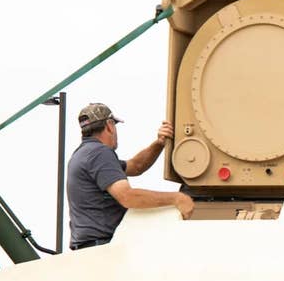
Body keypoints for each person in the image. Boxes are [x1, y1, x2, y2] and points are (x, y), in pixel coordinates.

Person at [67, 103, 193, 250]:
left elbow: (136, 166)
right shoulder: (100, 154)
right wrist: (177, 198)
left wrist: (160, 143)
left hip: (89, 247)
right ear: (109, 125)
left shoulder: (83, 154)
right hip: (101, 247)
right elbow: (127, 197)